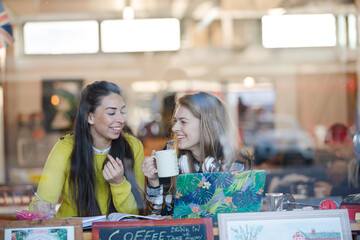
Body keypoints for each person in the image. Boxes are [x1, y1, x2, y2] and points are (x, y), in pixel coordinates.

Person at [29, 81, 145, 218]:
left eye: (122, 111)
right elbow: (40, 204)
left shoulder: (133, 147)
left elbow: (135, 214)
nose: (121, 119)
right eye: (112, 113)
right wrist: (39, 210)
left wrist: (119, 183)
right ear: (90, 117)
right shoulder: (65, 148)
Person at [141, 92, 254, 216]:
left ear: (207, 125)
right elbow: (156, 216)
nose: (174, 128)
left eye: (183, 122)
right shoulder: (170, 153)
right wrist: (153, 181)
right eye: (175, 121)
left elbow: (234, 215)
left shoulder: (237, 159)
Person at [314, 123, 360, 197]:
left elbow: (356, 191)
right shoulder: (351, 165)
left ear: (348, 140)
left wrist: (332, 190)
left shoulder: (354, 165)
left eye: (338, 150)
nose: (338, 155)